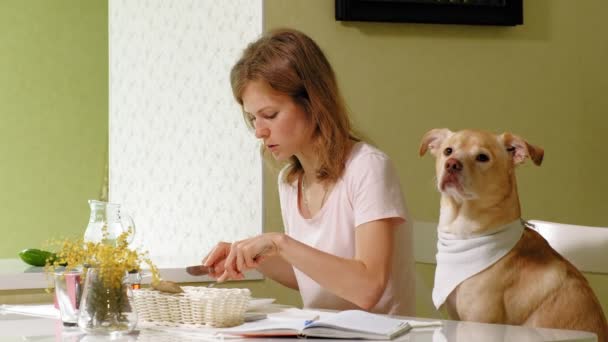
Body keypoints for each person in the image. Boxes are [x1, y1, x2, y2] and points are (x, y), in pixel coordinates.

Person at [203, 28, 415, 315]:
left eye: (270, 115)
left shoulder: (367, 167)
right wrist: (253, 255)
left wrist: (278, 243)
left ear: (313, 102)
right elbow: (314, 278)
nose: (259, 131)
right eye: (253, 118)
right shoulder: (290, 182)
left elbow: (367, 287)